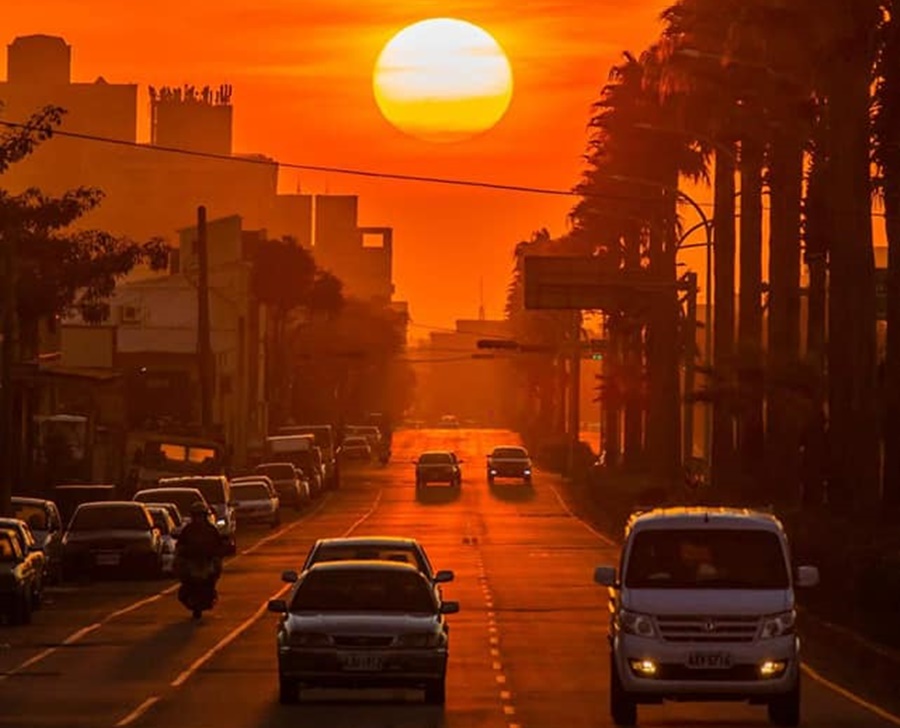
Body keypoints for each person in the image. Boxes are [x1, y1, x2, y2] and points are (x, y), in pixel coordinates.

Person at [175, 502, 224, 617]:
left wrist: (218, 554)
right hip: (191, 562)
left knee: (216, 569)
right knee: (179, 568)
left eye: (201, 515)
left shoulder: (211, 530)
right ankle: (189, 594)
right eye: (196, 516)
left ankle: (210, 594)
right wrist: (181, 553)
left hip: (207, 562)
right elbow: (180, 544)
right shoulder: (188, 530)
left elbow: (219, 545)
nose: (198, 519)